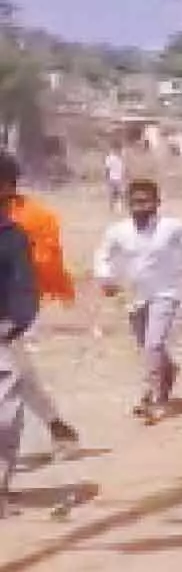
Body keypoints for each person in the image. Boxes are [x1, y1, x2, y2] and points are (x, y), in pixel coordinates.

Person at [94, 179, 182, 424]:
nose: (140, 207)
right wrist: (105, 278)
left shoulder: (172, 228)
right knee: (147, 347)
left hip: (166, 293)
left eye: (146, 202)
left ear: (157, 203)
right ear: (128, 204)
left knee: (153, 345)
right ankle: (168, 371)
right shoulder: (118, 231)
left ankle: (153, 398)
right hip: (134, 296)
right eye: (135, 202)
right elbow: (102, 255)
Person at [0, 152, 80, 454]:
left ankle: (54, 422)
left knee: (19, 374)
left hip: (11, 310)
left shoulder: (32, 219)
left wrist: (19, 315)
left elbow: (44, 265)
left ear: (7, 186)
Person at [0, 210, 39, 518]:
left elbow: (23, 284)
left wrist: (15, 320)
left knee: (5, 415)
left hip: (1, 332)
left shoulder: (11, 235)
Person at [104, 141, 126, 213]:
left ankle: (117, 208)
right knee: (115, 194)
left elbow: (108, 168)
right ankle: (114, 208)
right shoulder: (113, 157)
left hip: (117, 178)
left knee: (117, 194)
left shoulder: (120, 157)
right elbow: (107, 169)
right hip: (115, 178)